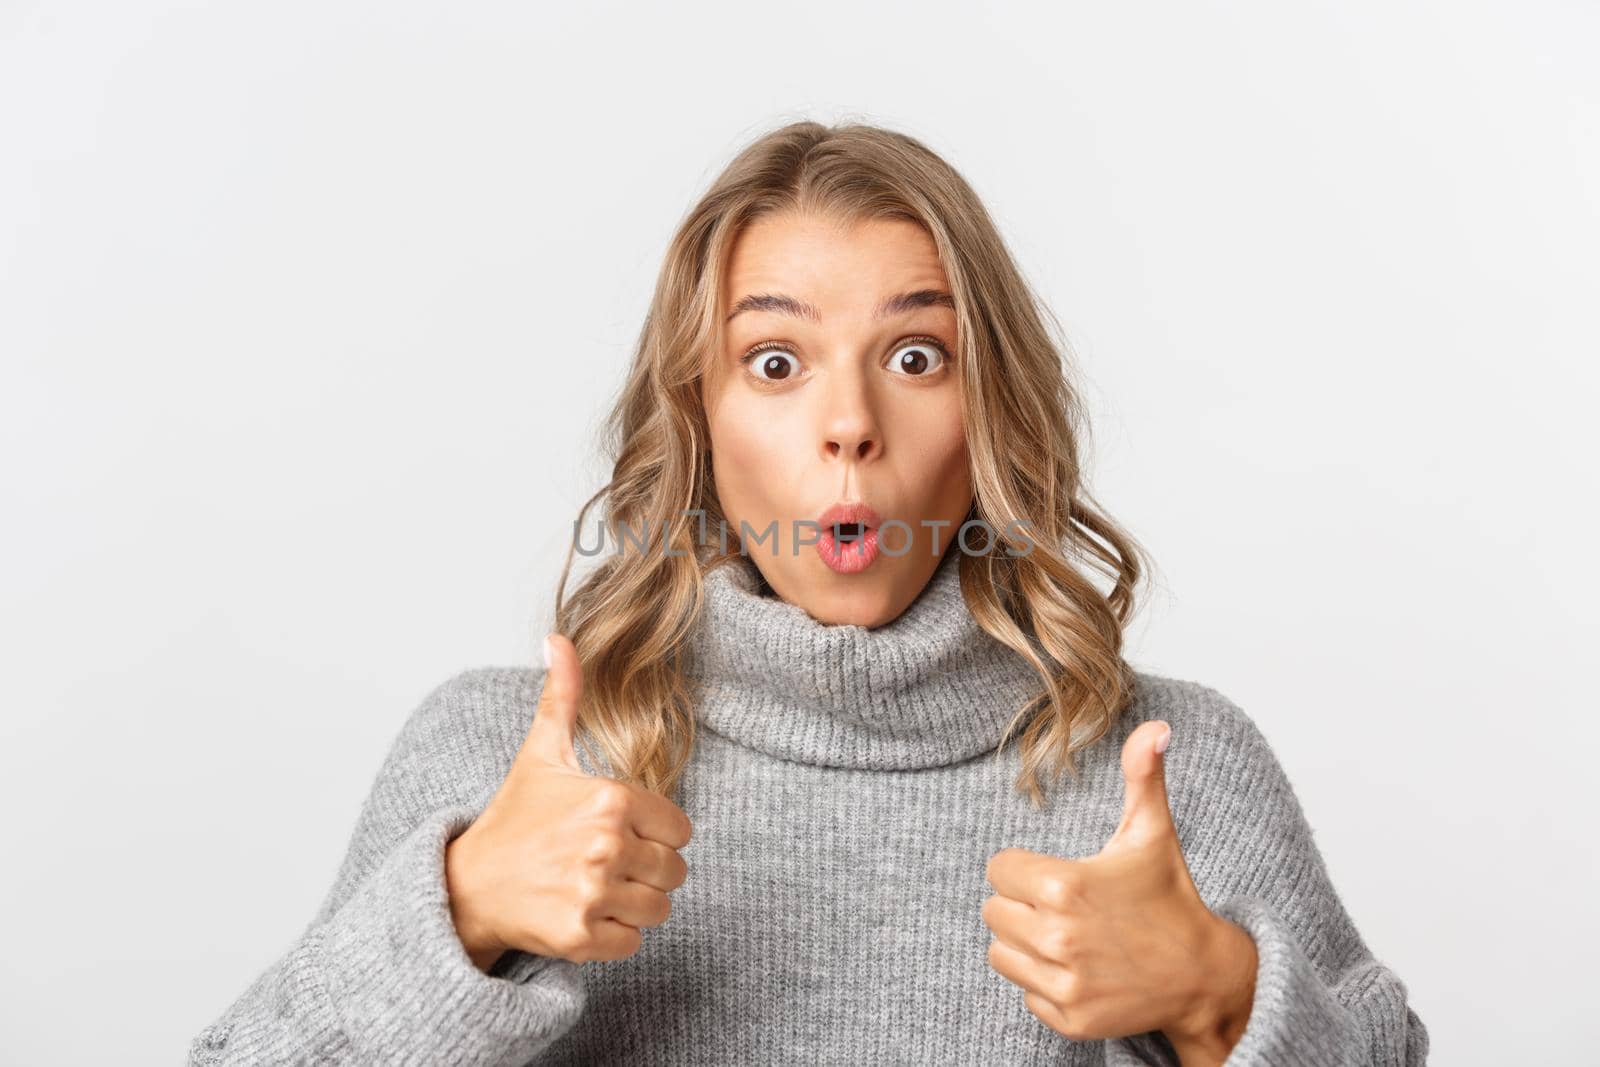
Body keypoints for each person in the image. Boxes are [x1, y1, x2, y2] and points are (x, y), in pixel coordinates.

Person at [187, 121, 1428, 1066]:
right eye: (774, 361)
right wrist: (454, 916)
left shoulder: (1174, 766)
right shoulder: (506, 758)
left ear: (991, 408)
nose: (848, 423)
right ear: (698, 417)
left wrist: (1221, 999)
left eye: (915, 355)